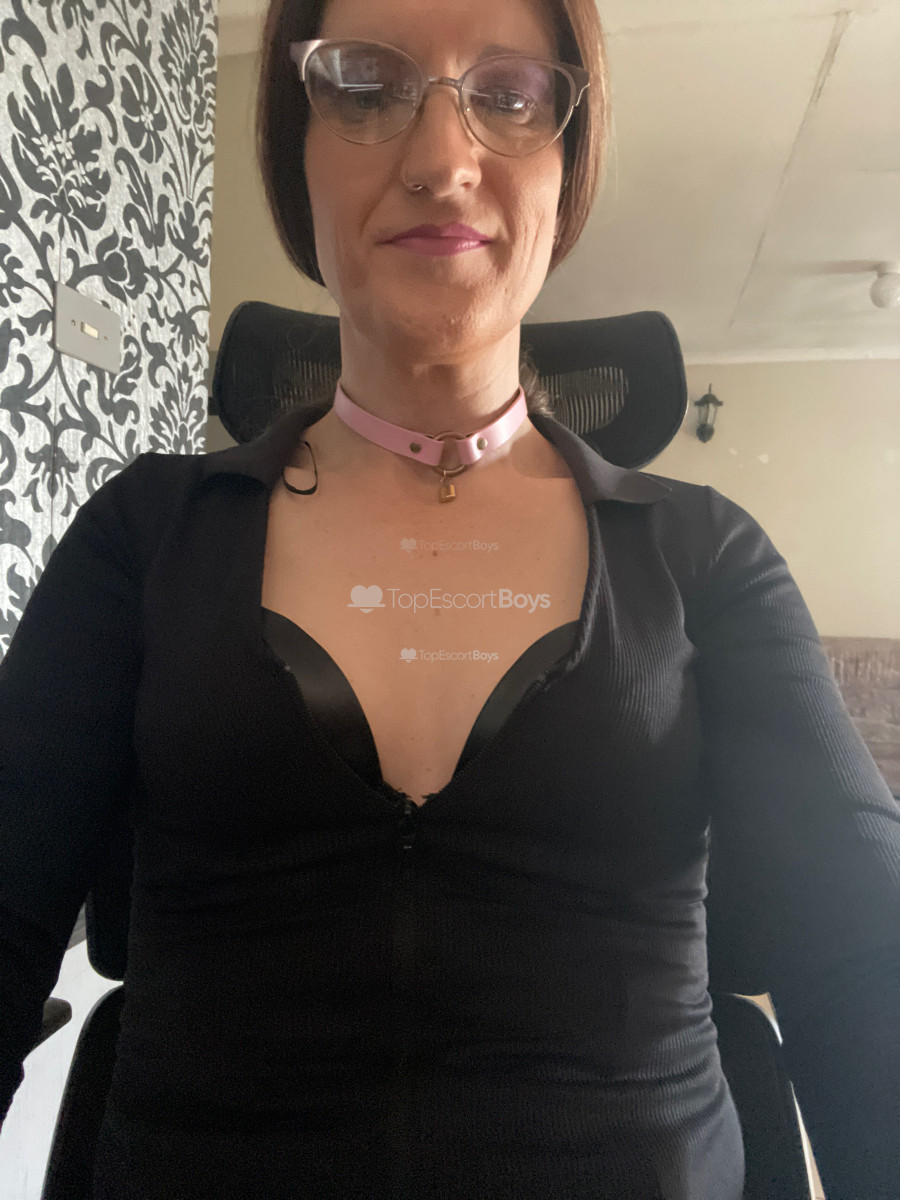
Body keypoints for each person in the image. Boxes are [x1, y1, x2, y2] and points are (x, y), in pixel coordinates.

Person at [1, 0, 898, 1196]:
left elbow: (862, 956)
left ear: (569, 165)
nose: (440, 158)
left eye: (511, 95)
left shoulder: (706, 557)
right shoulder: (145, 537)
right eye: (365, 86)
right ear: (294, 147)